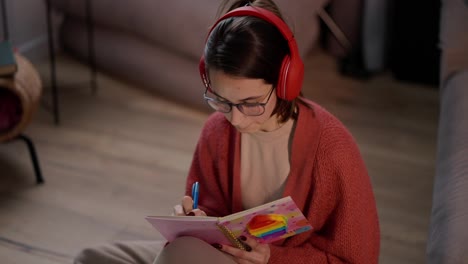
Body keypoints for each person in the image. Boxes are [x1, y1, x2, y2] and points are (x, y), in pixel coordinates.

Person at [75, 0, 380, 263]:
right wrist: (196, 221)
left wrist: (274, 258)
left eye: (251, 103)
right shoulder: (217, 132)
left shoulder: (331, 149)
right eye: (220, 100)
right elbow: (212, 215)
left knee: (179, 256)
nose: (235, 120)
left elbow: (355, 261)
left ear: (288, 82)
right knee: (91, 259)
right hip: (217, 256)